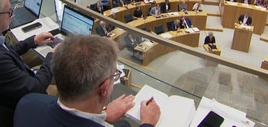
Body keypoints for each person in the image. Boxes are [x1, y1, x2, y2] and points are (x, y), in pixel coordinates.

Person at [13, 35, 160, 127]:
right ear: (104, 88)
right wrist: (147, 123)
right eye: (114, 75)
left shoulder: (27, 103)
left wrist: (104, 114)